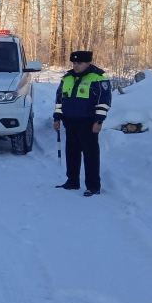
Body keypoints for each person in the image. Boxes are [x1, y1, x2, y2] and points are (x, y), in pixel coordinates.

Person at [53, 50, 111, 196]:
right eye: (74, 63)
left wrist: (99, 121)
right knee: (71, 154)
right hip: (70, 122)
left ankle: (93, 186)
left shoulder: (98, 78)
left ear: (88, 63)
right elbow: (60, 100)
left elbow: (103, 102)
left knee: (90, 156)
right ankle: (72, 182)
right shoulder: (67, 78)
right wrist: (57, 118)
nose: (76, 66)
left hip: (88, 123)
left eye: (79, 63)